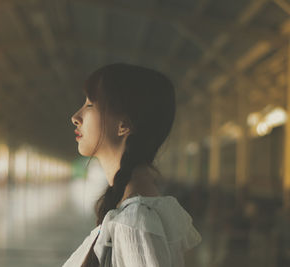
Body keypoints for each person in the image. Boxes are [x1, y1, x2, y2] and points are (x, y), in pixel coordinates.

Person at [63, 63, 202, 267]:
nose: (75, 117)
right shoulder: (138, 214)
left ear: (123, 125)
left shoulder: (134, 223)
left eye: (90, 105)